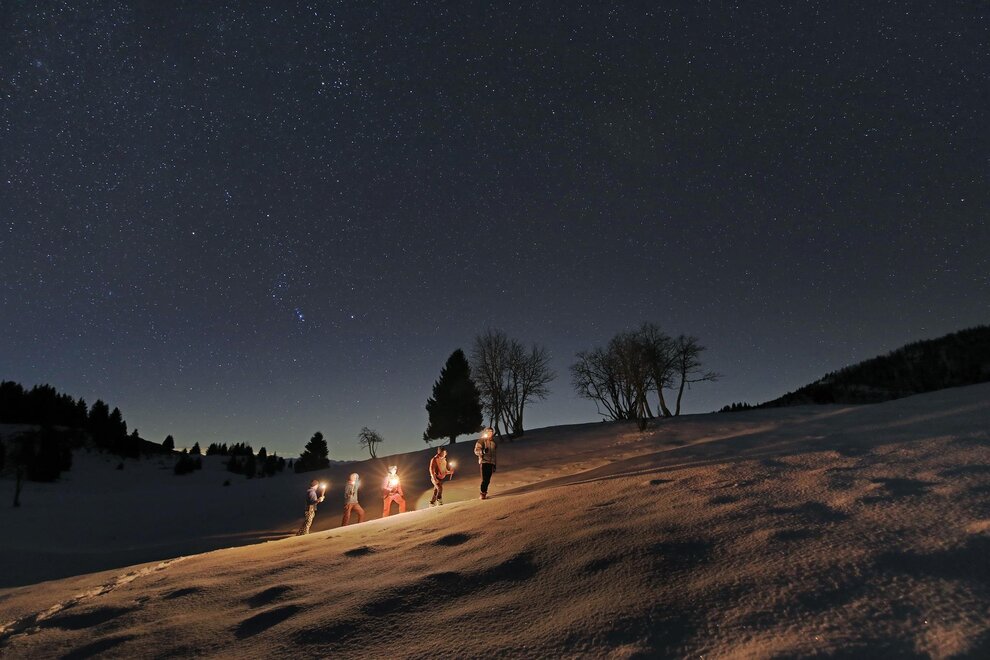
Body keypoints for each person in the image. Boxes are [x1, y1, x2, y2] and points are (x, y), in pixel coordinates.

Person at [473, 427, 497, 499]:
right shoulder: (481, 441)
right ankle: (482, 493)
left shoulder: (493, 442)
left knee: (488, 480)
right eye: (488, 431)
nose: (490, 433)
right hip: (484, 461)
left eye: (491, 432)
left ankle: (484, 492)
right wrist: (482, 451)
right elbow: (476, 451)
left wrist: (494, 464)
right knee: (485, 479)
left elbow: (494, 454)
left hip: (491, 463)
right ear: (486, 432)